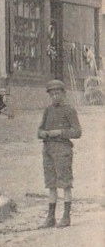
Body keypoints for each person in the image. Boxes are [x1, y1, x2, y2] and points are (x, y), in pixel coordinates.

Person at [37, 78, 82, 229]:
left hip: (63, 149)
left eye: (58, 93)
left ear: (64, 94)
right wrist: (43, 133)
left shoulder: (69, 110)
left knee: (65, 183)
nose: (55, 97)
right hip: (48, 149)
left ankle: (66, 216)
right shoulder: (48, 111)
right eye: (52, 94)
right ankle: (50, 217)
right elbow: (40, 129)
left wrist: (60, 132)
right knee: (51, 184)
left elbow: (77, 132)